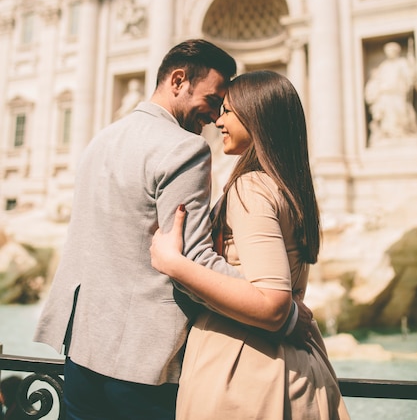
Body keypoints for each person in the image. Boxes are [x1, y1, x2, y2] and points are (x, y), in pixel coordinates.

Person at [34, 40, 310, 420]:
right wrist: (277, 307)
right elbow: (191, 259)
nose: (214, 116)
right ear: (179, 80)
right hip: (144, 363)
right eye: (214, 99)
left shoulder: (100, 140)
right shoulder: (184, 149)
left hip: (81, 349)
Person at [151, 70, 350, 420]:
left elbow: (272, 305)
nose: (218, 121)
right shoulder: (287, 185)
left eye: (227, 111)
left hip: (247, 372)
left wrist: (173, 262)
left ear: (256, 115)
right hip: (290, 365)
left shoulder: (251, 188)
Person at [365, 40, 417, 145]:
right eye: (388, 51)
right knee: (388, 119)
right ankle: (389, 135)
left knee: (401, 115)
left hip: (398, 94)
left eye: (392, 50)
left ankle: (402, 133)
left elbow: (409, 77)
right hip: (385, 95)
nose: (390, 53)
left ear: (397, 51)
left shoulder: (402, 62)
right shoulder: (384, 66)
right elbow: (377, 80)